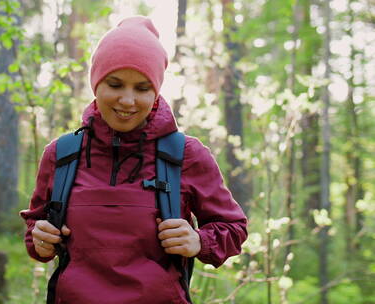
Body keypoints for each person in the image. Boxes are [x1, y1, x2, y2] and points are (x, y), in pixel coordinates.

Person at [20, 16, 248, 304]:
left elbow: (234, 228)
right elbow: (36, 233)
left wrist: (199, 241)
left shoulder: (185, 155)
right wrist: (40, 240)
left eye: (142, 88)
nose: (127, 101)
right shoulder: (63, 154)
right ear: (96, 84)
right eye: (115, 84)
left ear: (156, 93)